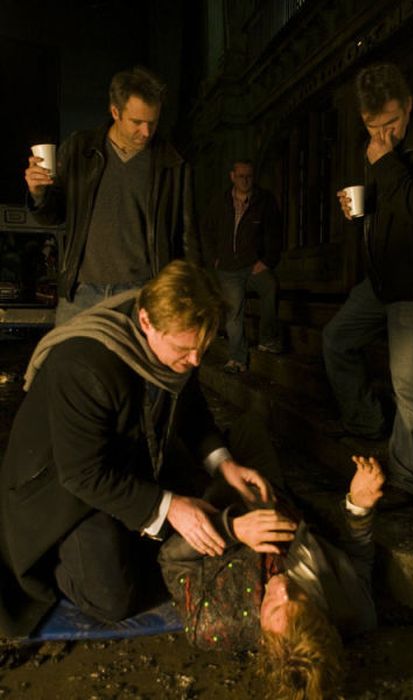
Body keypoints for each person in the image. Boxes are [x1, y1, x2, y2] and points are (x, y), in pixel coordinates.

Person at [0, 260, 274, 637]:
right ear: (146, 321)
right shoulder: (83, 364)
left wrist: (225, 464)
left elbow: (191, 410)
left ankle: (142, 523)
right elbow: (82, 474)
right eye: (185, 350)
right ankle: (57, 556)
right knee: (113, 599)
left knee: (199, 510)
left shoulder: (180, 342)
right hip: (63, 488)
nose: (195, 361)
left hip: (123, 456)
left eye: (203, 348)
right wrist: (170, 506)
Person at [160, 448, 384, 700]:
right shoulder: (356, 611)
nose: (284, 590)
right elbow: (359, 557)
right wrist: (359, 508)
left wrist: (232, 528)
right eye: (301, 598)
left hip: (205, 489)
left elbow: (171, 557)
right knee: (251, 430)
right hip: (273, 488)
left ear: (263, 641)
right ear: (326, 618)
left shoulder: (211, 622)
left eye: (275, 606)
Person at [323, 63, 413, 508]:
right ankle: (367, 422)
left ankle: (407, 480)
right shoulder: (376, 146)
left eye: (392, 123)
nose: (383, 135)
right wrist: (360, 207)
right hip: (381, 278)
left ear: (409, 105)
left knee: (411, 391)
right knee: (336, 340)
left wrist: (384, 163)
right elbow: (389, 202)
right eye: (373, 127)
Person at [24, 65, 200, 325]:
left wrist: (189, 294)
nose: (146, 132)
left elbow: (188, 236)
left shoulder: (171, 163)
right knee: (70, 353)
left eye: (152, 122)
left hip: (143, 294)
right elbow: (53, 216)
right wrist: (38, 193)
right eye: (137, 122)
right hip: (82, 293)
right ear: (115, 111)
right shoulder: (79, 149)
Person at [202, 159, 282, 374]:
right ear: (232, 177)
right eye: (240, 176)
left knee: (270, 286)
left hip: (254, 265)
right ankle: (237, 359)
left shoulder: (264, 200)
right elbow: (207, 231)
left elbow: (275, 233)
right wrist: (214, 258)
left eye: (249, 176)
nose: (245, 180)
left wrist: (267, 261)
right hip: (228, 268)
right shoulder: (220, 202)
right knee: (234, 313)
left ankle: (268, 339)